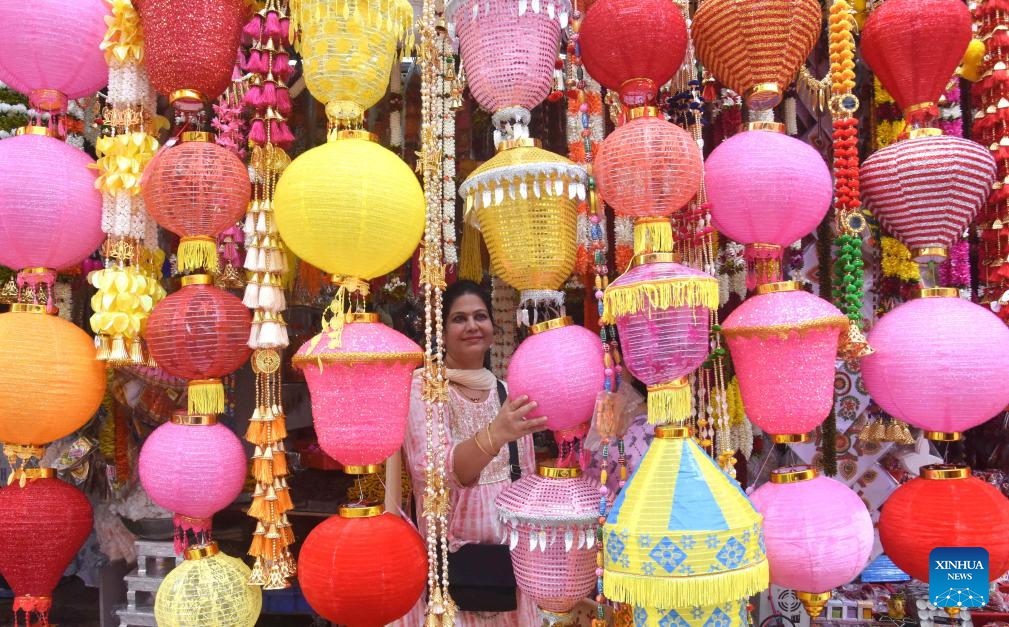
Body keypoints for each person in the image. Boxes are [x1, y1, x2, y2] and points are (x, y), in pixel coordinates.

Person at [387, 280, 546, 626]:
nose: (473, 326)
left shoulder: (506, 392)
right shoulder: (423, 388)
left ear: (492, 327)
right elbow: (432, 471)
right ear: (441, 332)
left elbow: (528, 482)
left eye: (480, 316)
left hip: (509, 573)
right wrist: (494, 435)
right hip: (449, 572)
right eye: (459, 319)